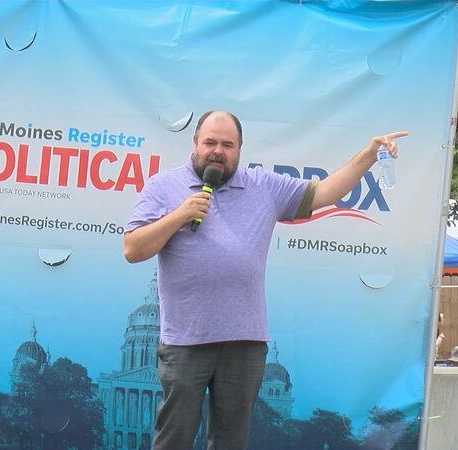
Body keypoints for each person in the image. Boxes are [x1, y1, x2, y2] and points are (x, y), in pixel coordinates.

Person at [123, 110, 407, 449]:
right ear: (194, 143)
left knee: (231, 441)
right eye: (210, 142)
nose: (217, 151)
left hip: (244, 342)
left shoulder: (264, 185)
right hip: (185, 341)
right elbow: (133, 249)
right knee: (174, 438)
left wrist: (367, 155)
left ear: (240, 148)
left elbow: (326, 192)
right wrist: (181, 214)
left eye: (227, 144)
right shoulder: (163, 186)